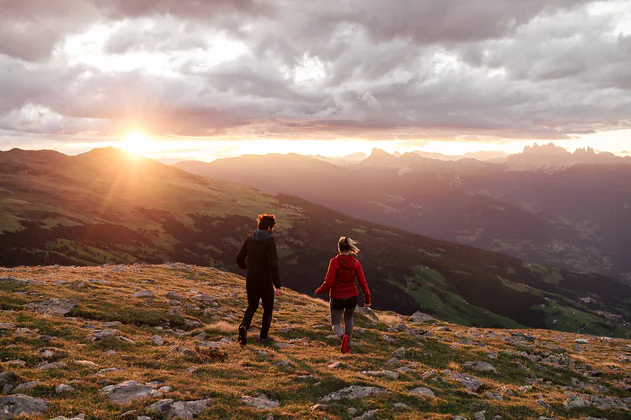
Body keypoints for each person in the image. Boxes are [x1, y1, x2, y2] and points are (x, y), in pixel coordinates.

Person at [315, 236, 371, 354]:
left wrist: (319, 291)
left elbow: (329, 282)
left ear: (339, 248)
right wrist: (367, 299)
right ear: (350, 249)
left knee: (335, 323)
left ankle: (342, 336)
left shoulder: (334, 262)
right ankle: (348, 346)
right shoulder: (356, 263)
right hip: (352, 297)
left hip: (337, 297)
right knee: (349, 319)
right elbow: (362, 282)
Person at [236, 214, 282, 346]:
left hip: (251, 279)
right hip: (265, 280)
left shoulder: (249, 239)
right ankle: (263, 336)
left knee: (252, 306)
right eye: (272, 227)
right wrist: (277, 285)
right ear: (268, 227)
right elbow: (272, 264)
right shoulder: (269, 242)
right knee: (267, 308)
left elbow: (239, 257)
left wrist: (245, 268)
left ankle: (244, 326)